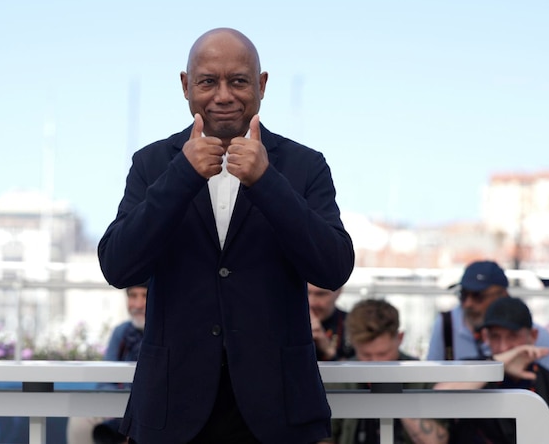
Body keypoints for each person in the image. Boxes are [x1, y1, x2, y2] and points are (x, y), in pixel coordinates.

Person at [97, 27, 355, 444]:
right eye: (207, 82)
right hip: (171, 408)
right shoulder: (152, 163)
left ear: (262, 85)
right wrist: (181, 175)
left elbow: (334, 267)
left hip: (278, 411)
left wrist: (267, 182)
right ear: (185, 86)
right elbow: (118, 264)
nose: (223, 95)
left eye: (238, 81)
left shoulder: (305, 165)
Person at [434, 297, 549, 444]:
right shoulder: (473, 372)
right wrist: (497, 365)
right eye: (495, 337)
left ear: (533, 336)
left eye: (513, 336)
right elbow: (436, 400)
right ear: (485, 337)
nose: (504, 347)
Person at [325, 299, 449, 444]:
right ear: (354, 344)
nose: (375, 363)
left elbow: (437, 440)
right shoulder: (340, 379)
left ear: (400, 338)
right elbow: (326, 438)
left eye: (383, 354)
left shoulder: (421, 376)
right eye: (366, 355)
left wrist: (393, 398)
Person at [426, 260, 549, 375]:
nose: (468, 304)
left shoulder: (532, 334)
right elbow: (430, 380)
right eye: (463, 295)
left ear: (502, 295)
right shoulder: (446, 326)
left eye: (478, 296)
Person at [66, 283, 147, 444]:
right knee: (80, 420)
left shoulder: (166, 334)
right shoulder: (121, 332)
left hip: (151, 407)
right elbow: (104, 381)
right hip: (120, 403)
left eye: (145, 296)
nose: (138, 304)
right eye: (132, 295)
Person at [309, 283, 354, 361]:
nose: (311, 302)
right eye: (305, 293)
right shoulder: (286, 325)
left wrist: (328, 349)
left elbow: (361, 369)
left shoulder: (354, 325)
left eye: (321, 294)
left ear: (338, 292)